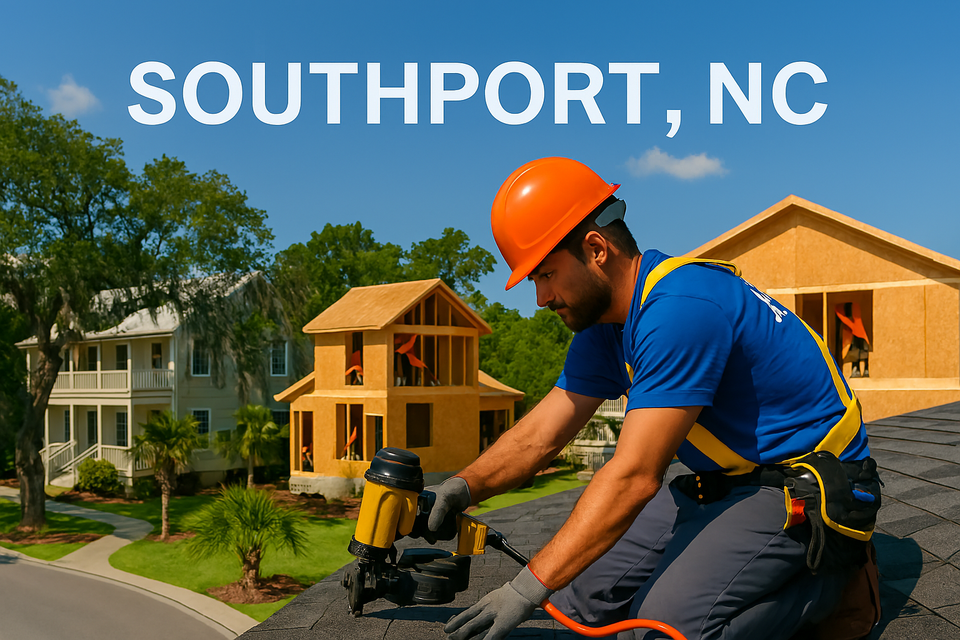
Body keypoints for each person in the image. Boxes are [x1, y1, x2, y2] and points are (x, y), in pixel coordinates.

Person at [427, 157, 878, 640]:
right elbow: (539, 437)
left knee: (662, 631)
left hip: (805, 485)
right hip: (724, 483)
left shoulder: (680, 309)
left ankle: (829, 587)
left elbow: (634, 477)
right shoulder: (607, 327)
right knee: (577, 605)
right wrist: (462, 488)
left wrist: (523, 590)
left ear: (596, 249)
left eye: (546, 274)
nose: (541, 298)